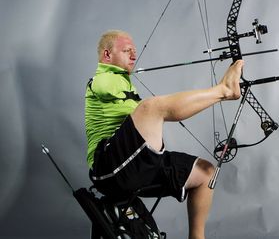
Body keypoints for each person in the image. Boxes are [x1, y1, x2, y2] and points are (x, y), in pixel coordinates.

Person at [85, 29, 243, 239]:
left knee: (206, 173)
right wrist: (220, 93)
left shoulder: (124, 82)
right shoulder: (101, 79)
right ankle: (224, 90)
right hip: (107, 168)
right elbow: (108, 87)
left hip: (133, 164)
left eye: (134, 51)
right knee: (151, 106)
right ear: (107, 55)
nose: (134, 55)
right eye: (127, 51)